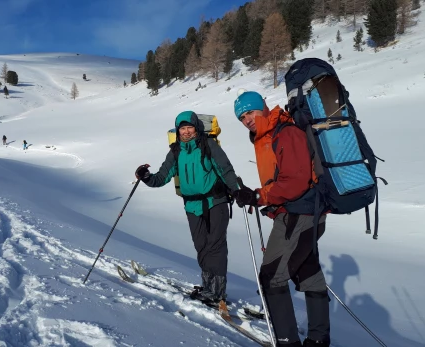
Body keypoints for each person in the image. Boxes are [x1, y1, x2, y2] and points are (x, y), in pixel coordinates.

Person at [233, 91, 330, 347]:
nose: (247, 120)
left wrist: (259, 196)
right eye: (242, 117)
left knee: (271, 276)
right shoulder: (269, 135)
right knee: (308, 272)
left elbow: (294, 182)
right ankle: (319, 340)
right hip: (306, 212)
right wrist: (260, 196)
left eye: (250, 112)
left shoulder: (285, 132)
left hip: (297, 214)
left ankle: (287, 342)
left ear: (262, 107)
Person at [135, 111, 240, 308]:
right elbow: (162, 177)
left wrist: (237, 191)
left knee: (215, 246)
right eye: (182, 128)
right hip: (191, 205)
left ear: (196, 127)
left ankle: (218, 291)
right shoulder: (176, 151)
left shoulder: (209, 145)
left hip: (215, 202)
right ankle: (208, 285)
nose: (185, 131)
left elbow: (226, 169)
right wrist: (147, 177)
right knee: (201, 245)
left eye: (189, 127)